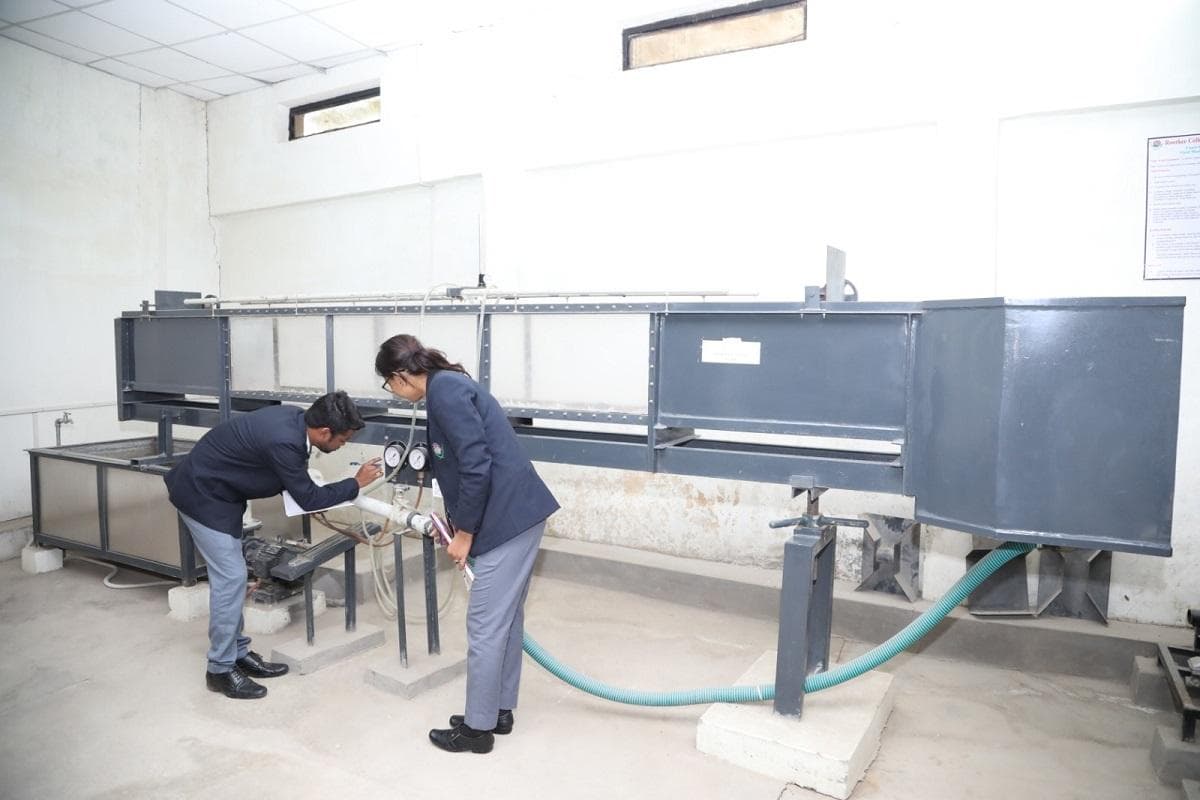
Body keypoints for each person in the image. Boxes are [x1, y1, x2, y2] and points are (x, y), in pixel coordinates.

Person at [376, 334, 559, 754]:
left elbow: (477, 465)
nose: (394, 392)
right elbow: (459, 464)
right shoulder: (446, 386)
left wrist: (464, 534)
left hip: (507, 520)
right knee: (505, 620)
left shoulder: (445, 392)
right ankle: (497, 710)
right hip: (514, 515)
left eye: (389, 384)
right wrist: (456, 521)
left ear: (400, 376)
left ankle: (477, 731)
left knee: (485, 626)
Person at [164, 391, 383, 700]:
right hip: (202, 496)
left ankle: (238, 653)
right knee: (231, 579)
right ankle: (220, 670)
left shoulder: (294, 420)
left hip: (220, 492)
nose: (342, 445)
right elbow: (307, 497)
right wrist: (355, 483)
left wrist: (307, 488)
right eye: (343, 440)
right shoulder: (285, 442)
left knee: (233, 578)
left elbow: (283, 474)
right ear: (324, 432)